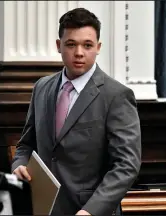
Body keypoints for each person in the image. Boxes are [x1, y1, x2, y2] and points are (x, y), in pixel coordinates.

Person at [12, 8, 141, 216]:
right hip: (43, 208)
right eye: (71, 44)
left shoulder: (116, 95)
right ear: (58, 45)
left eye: (87, 45)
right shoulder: (42, 88)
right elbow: (26, 145)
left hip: (89, 211)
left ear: (98, 47)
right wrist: (18, 165)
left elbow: (126, 165)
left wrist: (91, 210)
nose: (79, 52)